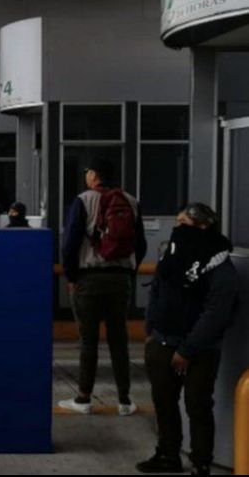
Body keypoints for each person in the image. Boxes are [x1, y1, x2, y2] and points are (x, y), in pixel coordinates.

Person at [137, 204, 238, 476]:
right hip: (162, 340)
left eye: (184, 223)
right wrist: (150, 330)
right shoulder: (173, 256)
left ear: (203, 226)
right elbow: (158, 289)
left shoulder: (220, 267)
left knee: (198, 405)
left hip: (199, 350)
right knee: (164, 402)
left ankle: (201, 462)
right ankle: (167, 455)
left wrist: (187, 349)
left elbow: (215, 314)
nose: (178, 229)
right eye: (177, 222)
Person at [59, 158, 147, 416]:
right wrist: (128, 272)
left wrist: (72, 278)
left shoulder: (83, 200)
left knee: (88, 342)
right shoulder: (131, 201)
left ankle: (84, 398)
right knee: (119, 340)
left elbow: (70, 243)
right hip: (120, 280)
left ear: (94, 175)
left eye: (87, 171)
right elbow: (139, 245)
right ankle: (124, 400)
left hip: (89, 278)